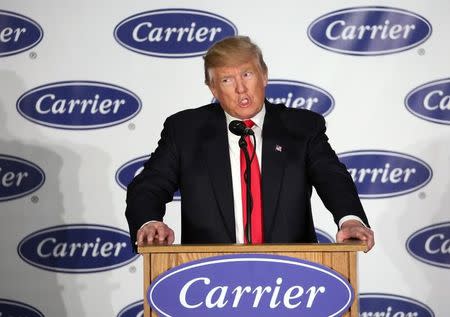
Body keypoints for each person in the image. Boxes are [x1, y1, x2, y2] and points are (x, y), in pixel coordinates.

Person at [125, 35, 374, 251]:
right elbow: (148, 187)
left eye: (247, 74)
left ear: (264, 75)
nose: (241, 89)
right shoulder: (185, 131)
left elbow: (332, 178)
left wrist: (350, 219)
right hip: (210, 280)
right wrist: (149, 223)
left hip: (292, 278)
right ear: (212, 88)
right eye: (227, 80)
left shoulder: (302, 127)